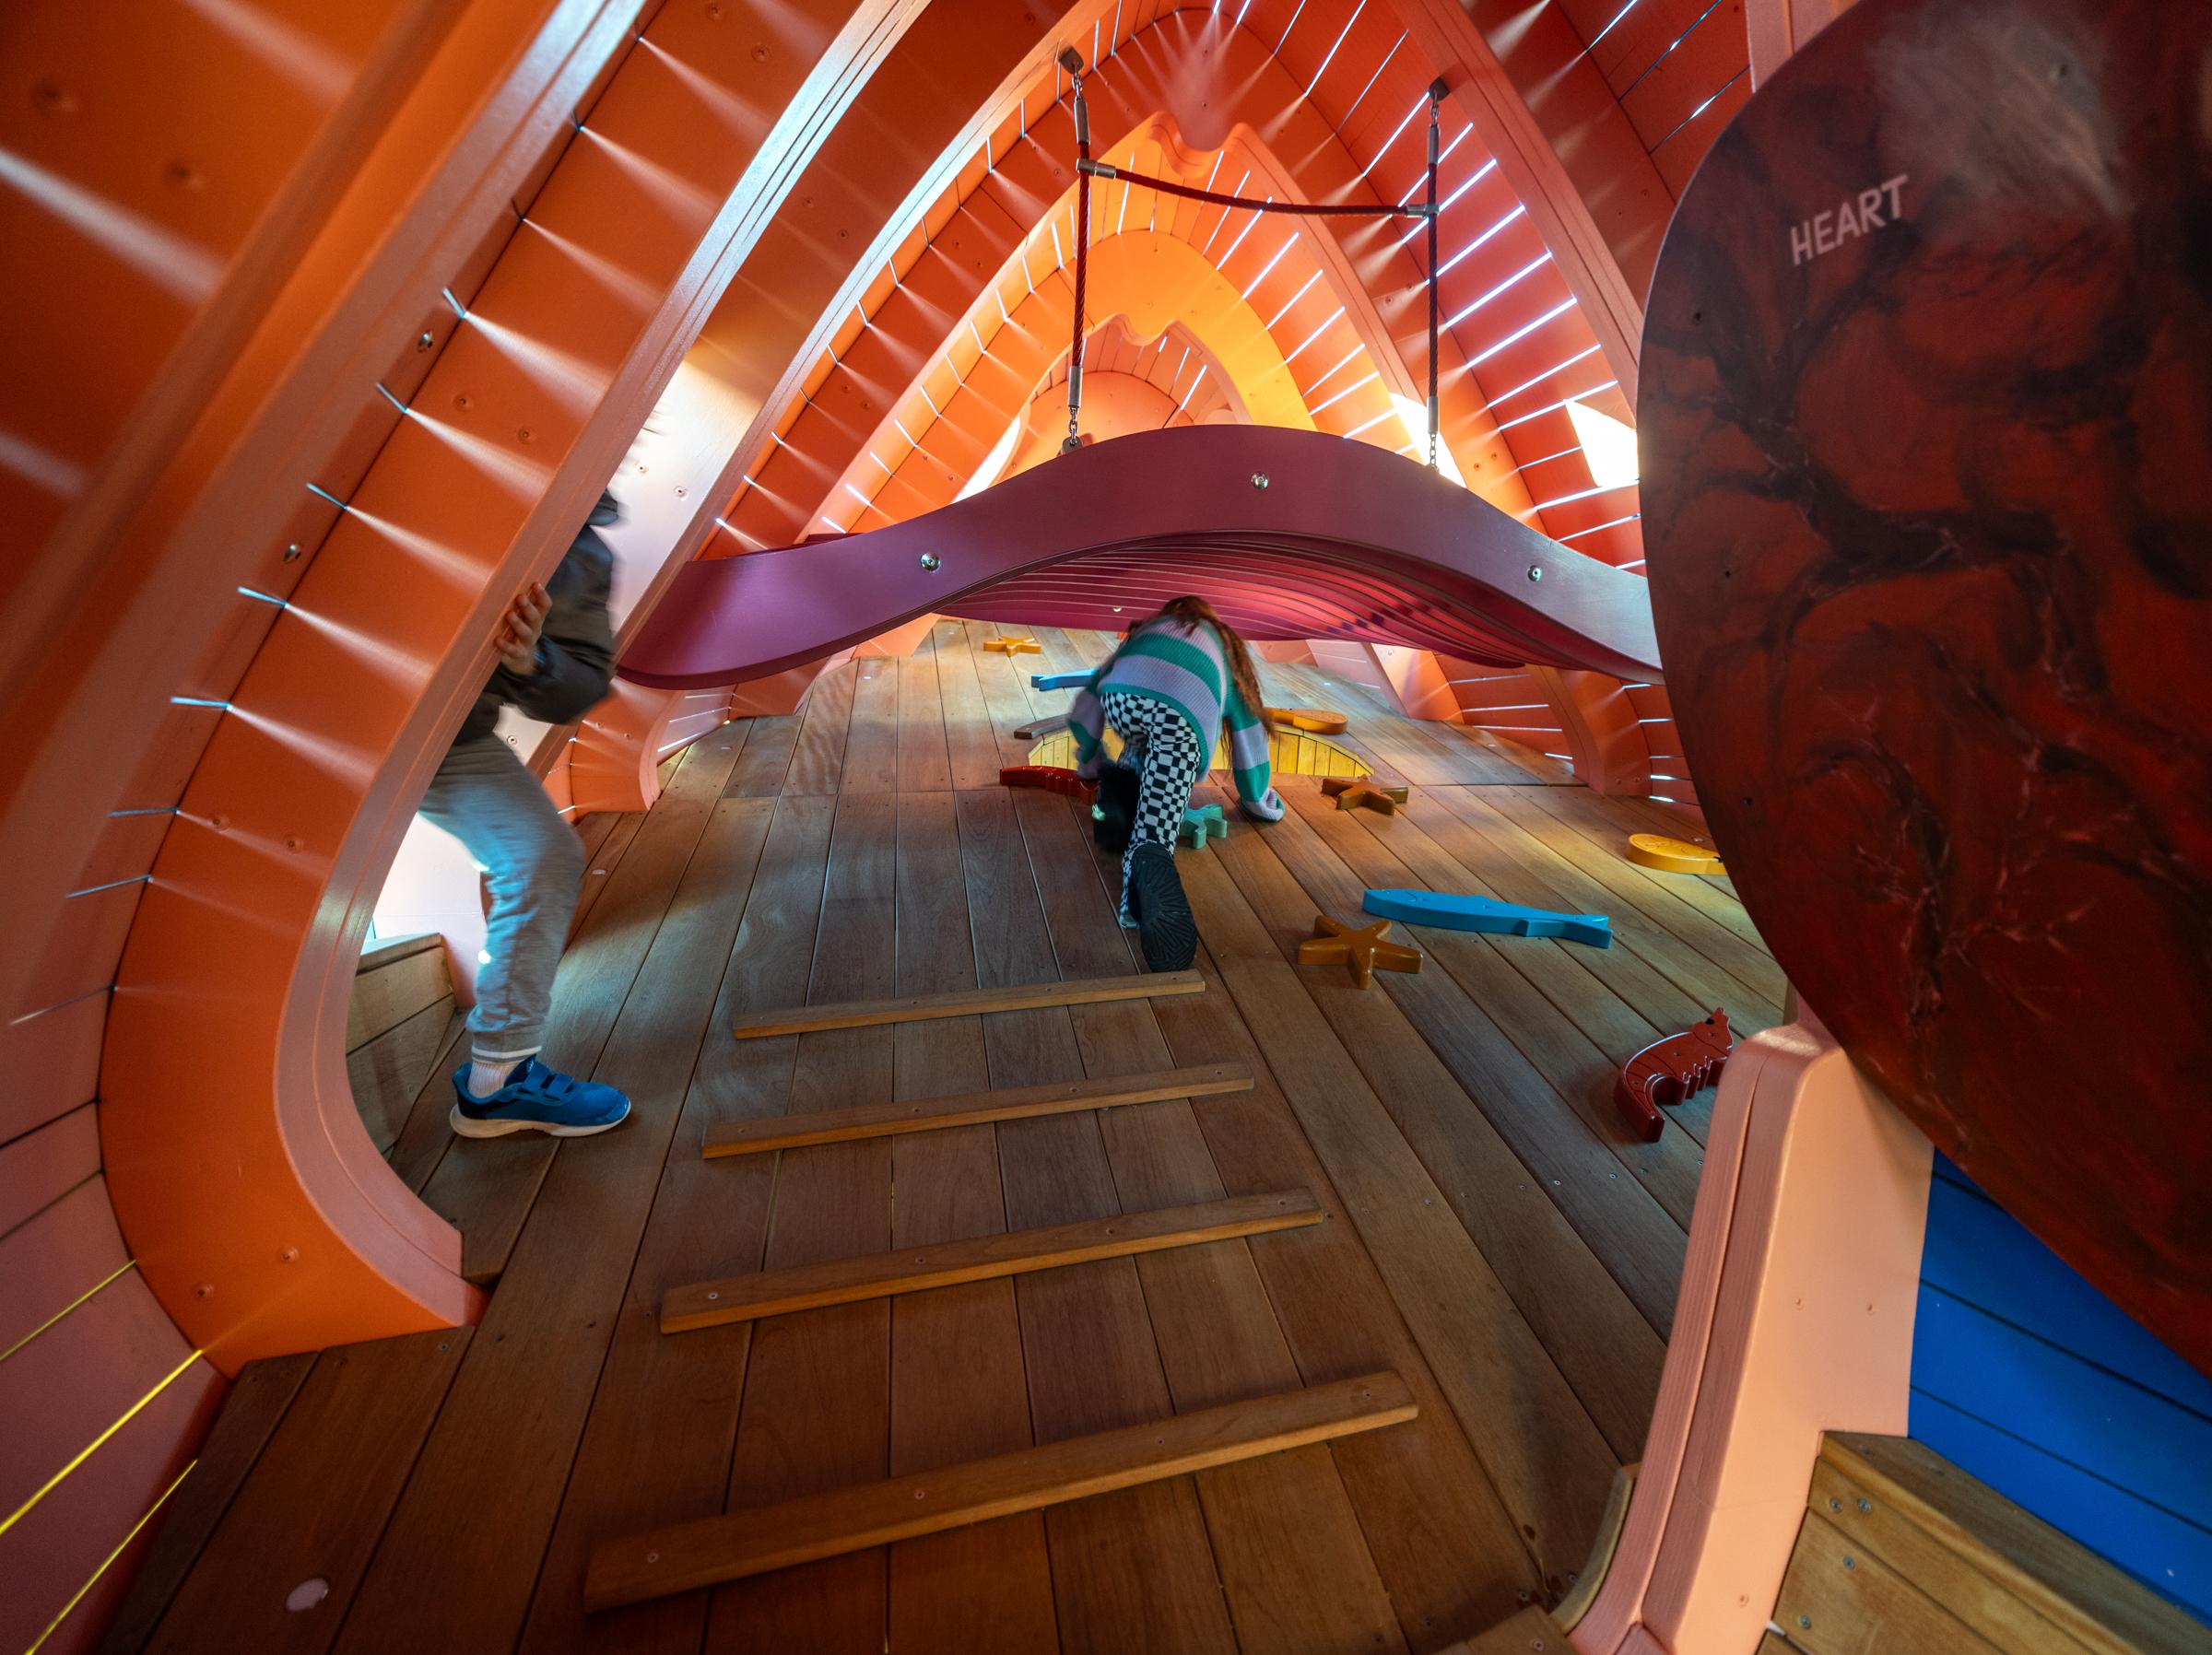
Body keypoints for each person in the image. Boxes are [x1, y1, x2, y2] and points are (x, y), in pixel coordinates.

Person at [417, 490, 631, 1139]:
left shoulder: (581, 547)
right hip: (339, 711)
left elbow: (581, 682)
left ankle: (498, 1079)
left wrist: (532, 660)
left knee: (541, 855)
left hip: (444, 735)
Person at [1069, 595, 1286, 970]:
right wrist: (1256, 800)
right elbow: (1249, 732)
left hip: (1123, 699)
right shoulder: (1220, 647)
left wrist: (1090, 758)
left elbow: (1090, 696)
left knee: (1139, 752)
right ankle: (1136, 904)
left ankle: (1121, 804)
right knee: (1156, 828)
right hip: (1180, 708)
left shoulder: (1145, 633)